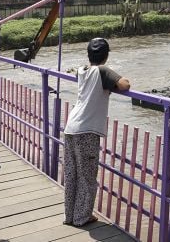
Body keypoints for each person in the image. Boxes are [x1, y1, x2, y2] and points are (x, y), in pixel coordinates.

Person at [63, 38, 130, 227]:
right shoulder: (102, 71)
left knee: (72, 174)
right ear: (106, 55)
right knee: (87, 175)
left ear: (89, 55)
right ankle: (82, 217)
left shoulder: (82, 70)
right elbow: (124, 85)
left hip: (71, 127)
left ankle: (70, 215)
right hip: (87, 130)